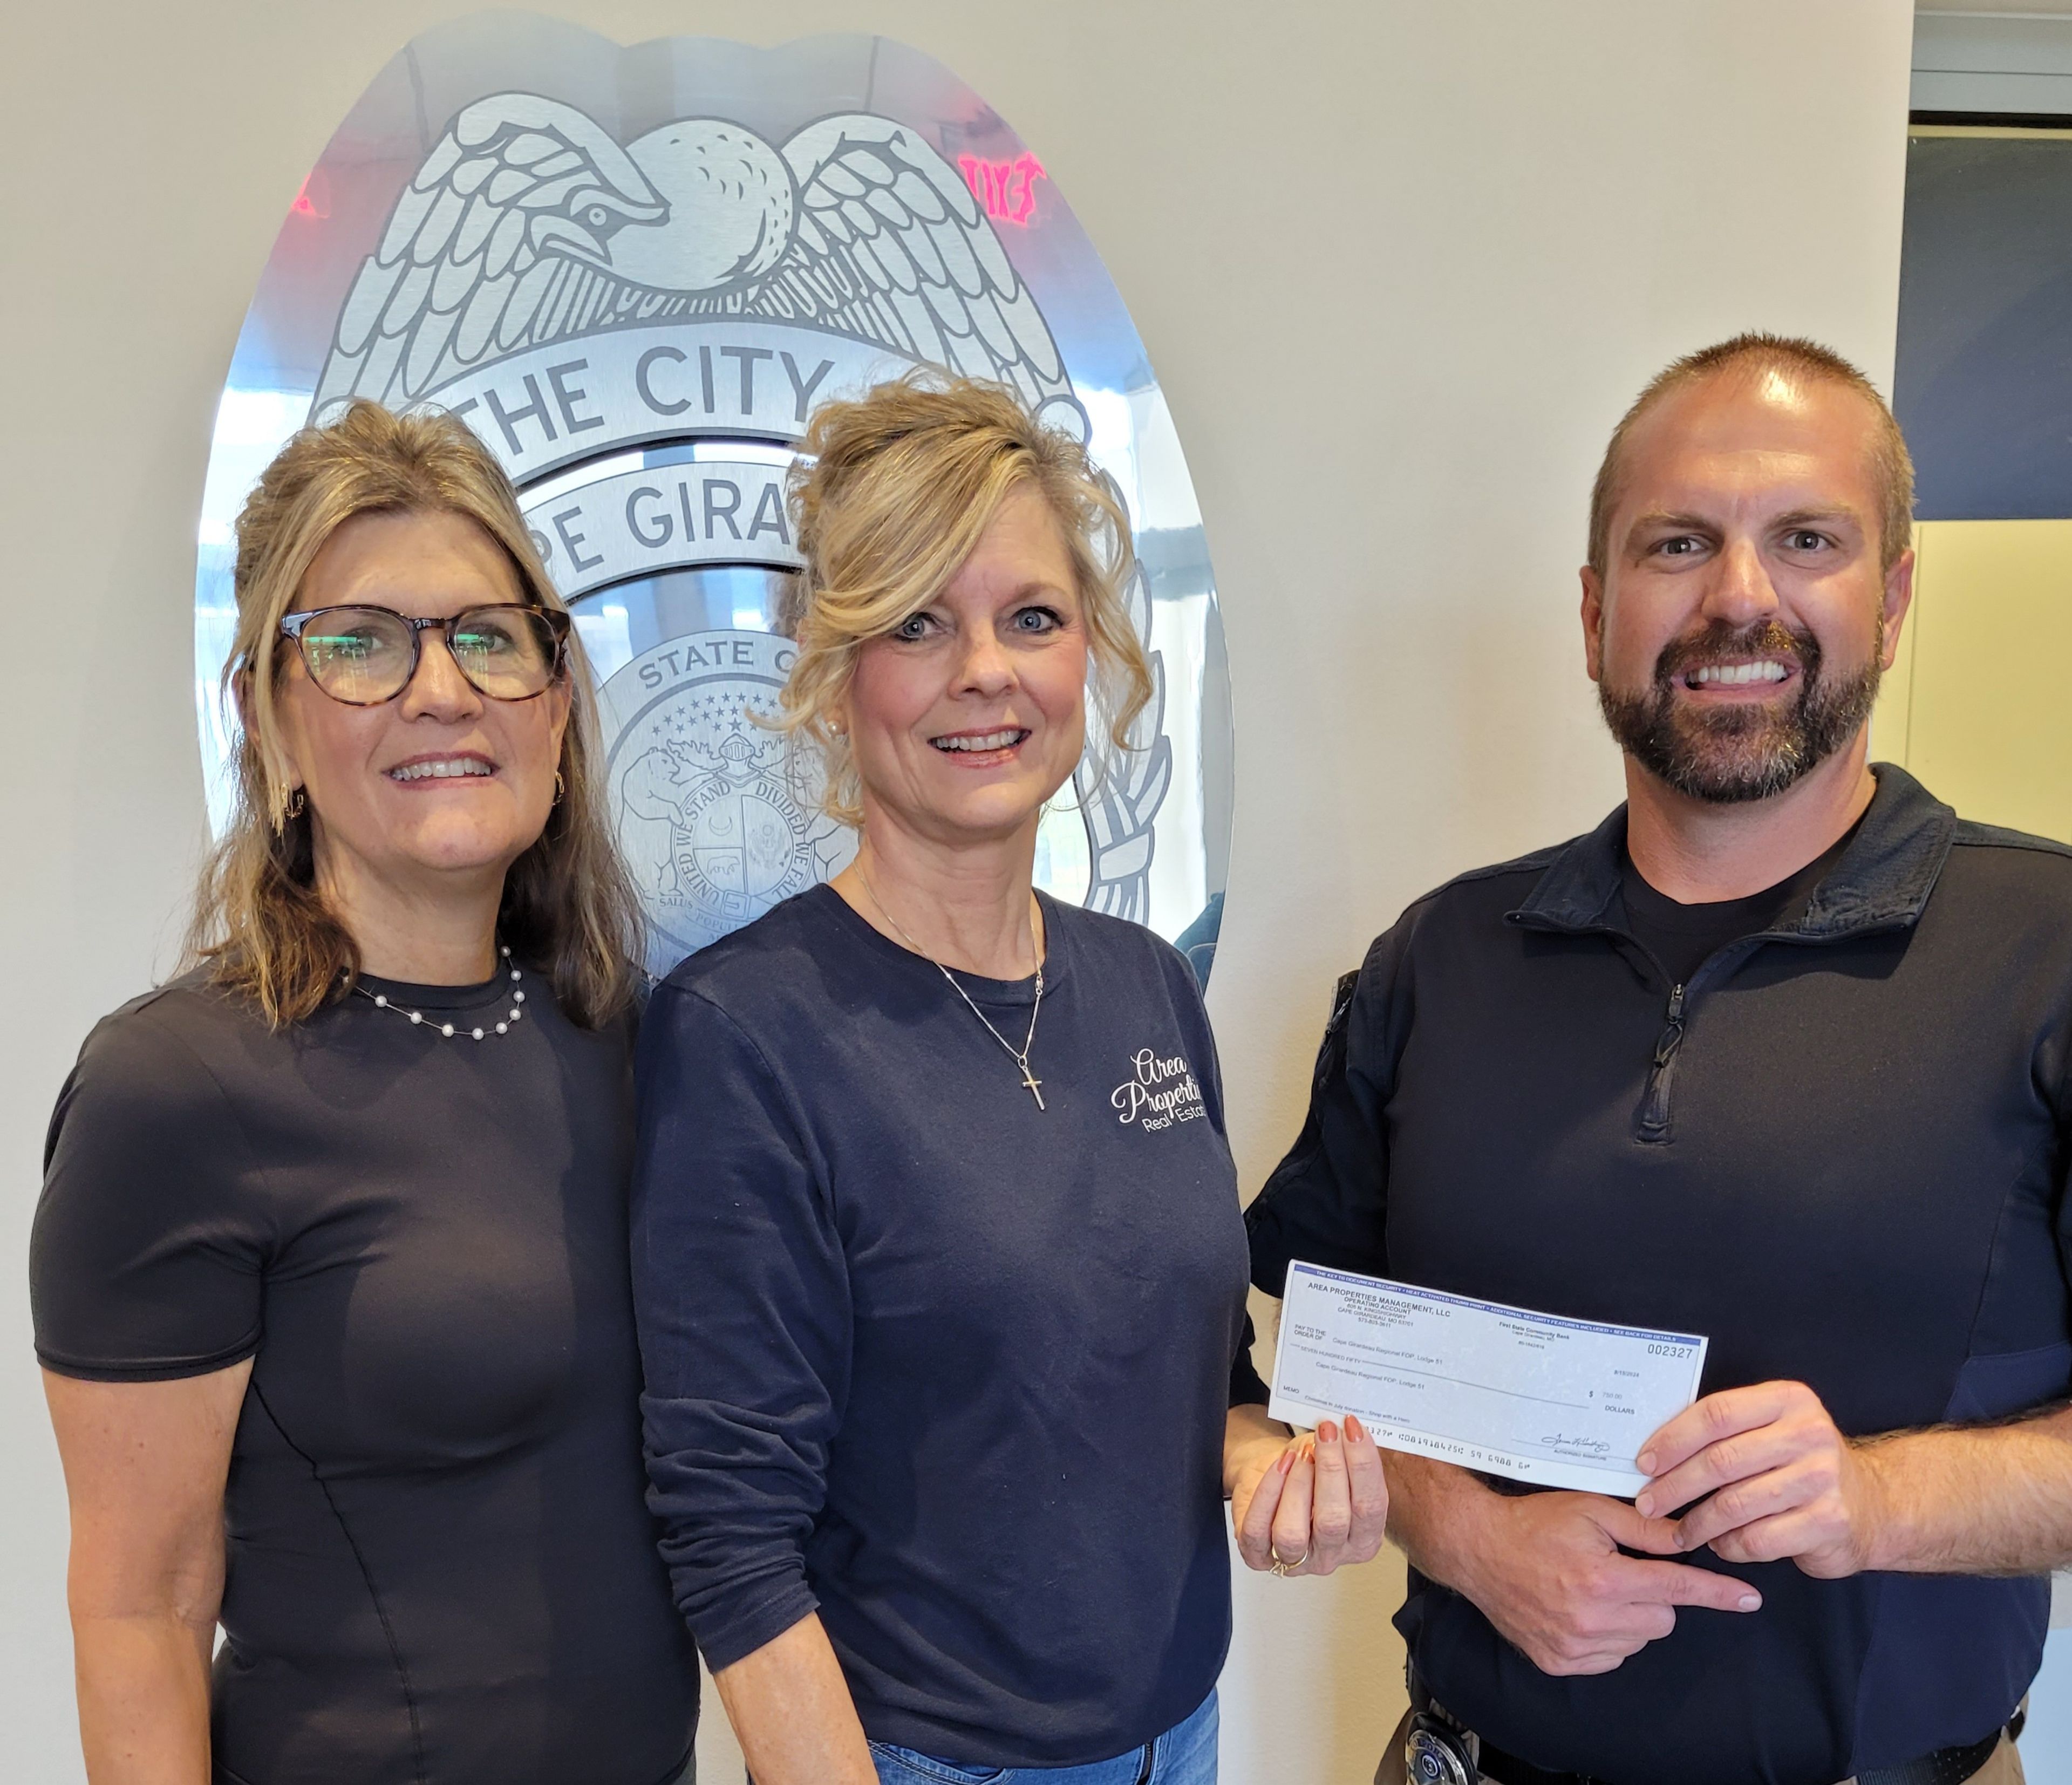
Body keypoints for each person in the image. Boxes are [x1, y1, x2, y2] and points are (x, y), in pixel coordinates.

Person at [1239, 335, 2072, 1785]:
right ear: (1594, 610)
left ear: (1895, 594)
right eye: (1677, 543)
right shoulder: (1440, 962)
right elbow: (1318, 1369)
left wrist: (1879, 1499)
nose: (1739, 594)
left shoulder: (2045, 948)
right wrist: (1474, 1537)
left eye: (1806, 538)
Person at [630, 376, 1387, 1785]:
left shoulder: (1147, 982)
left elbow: (1204, 1378)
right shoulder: (745, 1032)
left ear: (1084, 655)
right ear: (835, 666)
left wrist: (1270, 1466)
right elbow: (730, 1533)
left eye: (1032, 617)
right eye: (919, 620)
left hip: (1183, 1735)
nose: (986, 668)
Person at [30, 401, 698, 1785]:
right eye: (358, 645)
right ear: (269, 719)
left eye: (486, 636)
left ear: (558, 704)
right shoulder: (176, 1090)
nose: (440, 691)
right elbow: (139, 1607)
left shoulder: (644, 1039)